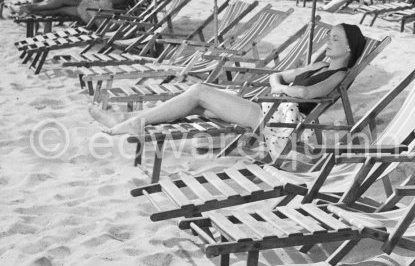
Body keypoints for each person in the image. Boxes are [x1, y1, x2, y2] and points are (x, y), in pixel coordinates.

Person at [90, 24, 367, 161]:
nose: (328, 42)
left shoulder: (338, 74)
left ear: (350, 49)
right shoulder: (321, 63)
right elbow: (278, 76)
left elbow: (306, 94)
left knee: (198, 90)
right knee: (194, 104)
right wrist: (279, 87)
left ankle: (127, 124)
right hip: (267, 105)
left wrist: (281, 88)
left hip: (273, 119)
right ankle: (130, 123)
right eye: (328, 36)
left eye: (335, 39)